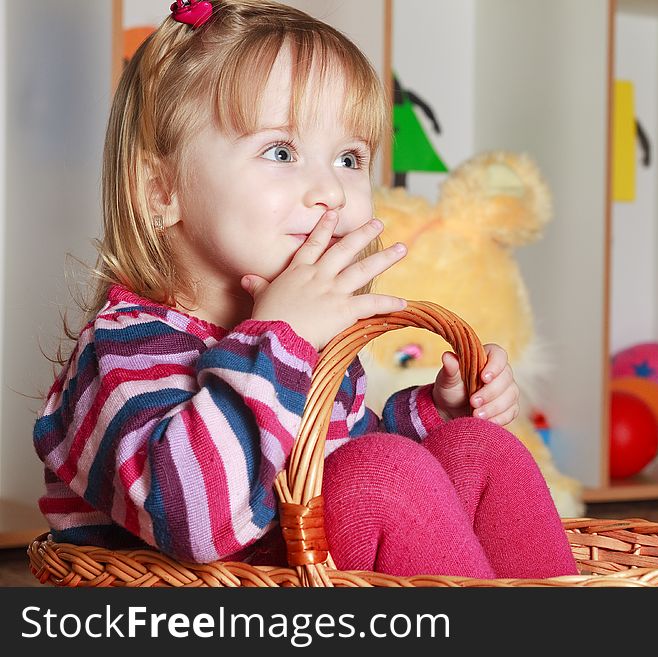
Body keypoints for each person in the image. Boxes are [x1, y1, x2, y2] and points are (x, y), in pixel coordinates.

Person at [33, 0, 578, 579]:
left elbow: (340, 459)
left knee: (481, 450)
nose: (331, 192)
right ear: (160, 189)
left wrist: (435, 414)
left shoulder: (308, 339)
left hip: (324, 569)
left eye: (349, 159)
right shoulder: (125, 351)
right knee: (381, 474)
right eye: (281, 151)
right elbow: (192, 520)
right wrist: (281, 337)